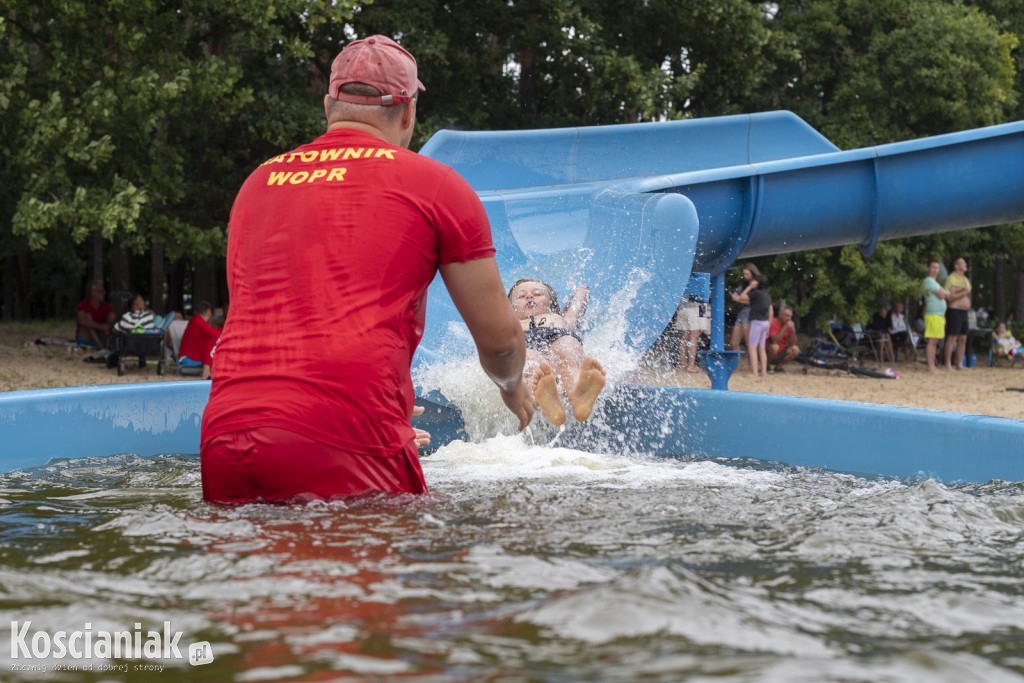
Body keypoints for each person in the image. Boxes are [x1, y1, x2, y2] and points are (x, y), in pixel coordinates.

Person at [200, 35, 533, 504]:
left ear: (328, 105)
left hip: (226, 433)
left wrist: (387, 407)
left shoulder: (258, 182)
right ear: (409, 113)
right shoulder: (434, 185)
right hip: (345, 436)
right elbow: (501, 345)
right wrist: (513, 390)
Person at [507, 279, 606, 426]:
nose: (529, 297)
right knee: (531, 363)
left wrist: (580, 290)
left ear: (552, 306)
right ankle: (545, 400)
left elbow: (581, 295)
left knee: (567, 350)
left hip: (558, 336)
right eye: (521, 296)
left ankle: (577, 392)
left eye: (537, 294)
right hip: (524, 344)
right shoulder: (511, 324)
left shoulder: (560, 318)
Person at [737, 273, 771, 377]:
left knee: (752, 347)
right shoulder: (766, 295)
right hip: (765, 322)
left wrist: (750, 287)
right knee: (761, 348)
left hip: (757, 322)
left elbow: (741, 297)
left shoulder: (755, 293)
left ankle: (754, 372)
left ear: (757, 283)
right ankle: (764, 372)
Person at [179, 301, 221, 380]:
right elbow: (217, 335)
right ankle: (206, 372)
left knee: (211, 340)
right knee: (213, 340)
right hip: (188, 359)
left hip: (188, 356)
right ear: (209, 312)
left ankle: (207, 371)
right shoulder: (198, 321)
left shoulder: (195, 320)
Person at [943, 257, 972, 370]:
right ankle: (948, 363)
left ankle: (959, 363)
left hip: (964, 312)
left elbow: (965, 290)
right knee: (952, 336)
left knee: (963, 338)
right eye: (963, 263)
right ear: (956, 266)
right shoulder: (951, 278)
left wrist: (960, 290)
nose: (965, 264)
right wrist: (963, 291)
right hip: (954, 311)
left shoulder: (965, 279)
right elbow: (949, 298)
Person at [922, 260, 950, 373]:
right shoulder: (928, 281)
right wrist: (946, 292)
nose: (935, 270)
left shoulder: (935, 282)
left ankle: (932, 365)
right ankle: (930, 366)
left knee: (935, 341)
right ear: (928, 269)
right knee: (932, 341)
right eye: (933, 267)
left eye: (937, 268)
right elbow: (942, 294)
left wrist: (945, 293)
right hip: (933, 314)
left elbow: (944, 294)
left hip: (938, 315)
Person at [76, 280, 115, 352]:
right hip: (86, 337)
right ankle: (99, 345)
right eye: (101, 291)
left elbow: (112, 319)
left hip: (101, 335)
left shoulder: (107, 306)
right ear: (93, 293)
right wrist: (101, 327)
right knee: (88, 320)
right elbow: (82, 321)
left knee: (110, 322)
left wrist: (106, 327)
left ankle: (106, 345)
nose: (104, 293)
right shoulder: (83, 305)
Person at [728, 263, 761, 352]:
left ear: (753, 273)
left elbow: (755, 301)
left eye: (747, 274)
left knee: (749, 343)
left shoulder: (757, 285)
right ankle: (736, 364)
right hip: (741, 313)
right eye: (744, 274)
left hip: (749, 314)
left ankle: (752, 365)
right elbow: (741, 297)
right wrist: (737, 298)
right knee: (733, 342)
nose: (745, 276)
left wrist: (739, 299)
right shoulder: (744, 284)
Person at [675, 294, 709, 374]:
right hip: (698, 306)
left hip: (683, 307)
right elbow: (709, 294)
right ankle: (691, 366)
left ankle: (683, 365)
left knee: (684, 337)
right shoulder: (702, 280)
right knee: (694, 337)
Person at [766, 304, 800, 371]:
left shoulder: (789, 325)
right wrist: (785, 328)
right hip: (768, 349)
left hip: (781, 350)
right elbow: (774, 340)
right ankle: (767, 366)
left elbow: (792, 343)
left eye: (790, 316)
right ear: (780, 315)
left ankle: (778, 367)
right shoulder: (773, 322)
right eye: (787, 316)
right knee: (775, 347)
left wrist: (793, 331)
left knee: (795, 349)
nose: (789, 319)